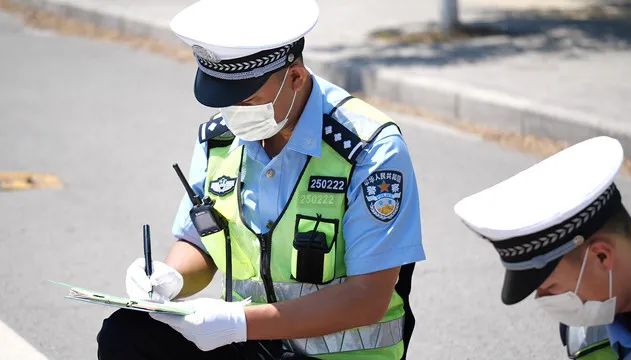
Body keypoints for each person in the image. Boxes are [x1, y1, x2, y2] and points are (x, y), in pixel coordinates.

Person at [96, 0, 426, 359]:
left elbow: (367, 298)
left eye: (249, 101)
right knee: (128, 332)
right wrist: (168, 278)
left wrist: (241, 323)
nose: (236, 117)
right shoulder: (220, 141)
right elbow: (202, 242)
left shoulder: (368, 149)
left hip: (336, 355)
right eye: (227, 104)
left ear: (295, 78)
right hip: (252, 345)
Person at [453, 136, 631, 360]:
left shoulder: (595, 310)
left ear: (601, 256)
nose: (546, 300)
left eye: (550, 287)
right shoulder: (590, 323)